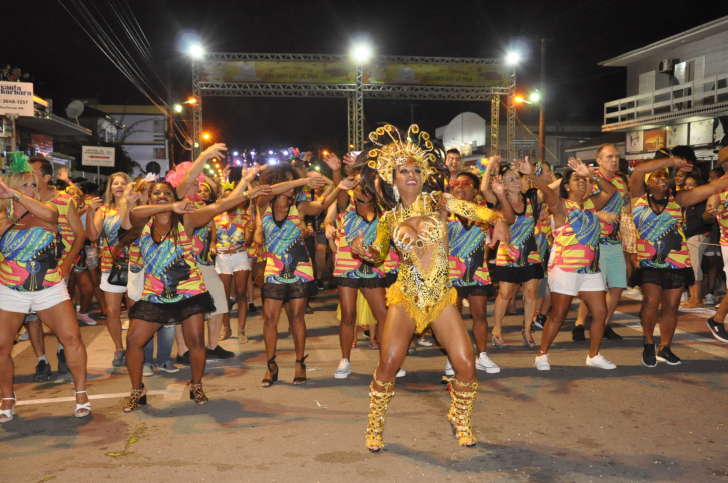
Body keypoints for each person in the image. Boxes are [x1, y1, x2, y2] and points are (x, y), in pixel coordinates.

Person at [350, 124, 509, 452]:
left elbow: (476, 210)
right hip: (406, 295)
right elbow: (379, 257)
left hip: (440, 296)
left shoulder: (440, 201)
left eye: (416, 169)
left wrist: (499, 220)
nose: (411, 174)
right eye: (403, 170)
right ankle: (375, 425)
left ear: (424, 175)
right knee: (389, 362)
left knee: (466, 363)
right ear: (392, 178)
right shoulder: (388, 219)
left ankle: (460, 419)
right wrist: (363, 251)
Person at [122, 180, 269, 411]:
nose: (162, 195)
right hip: (155, 294)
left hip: (189, 291)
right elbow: (134, 211)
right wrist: (170, 207)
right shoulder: (142, 222)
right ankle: (137, 389)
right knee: (133, 341)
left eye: (167, 193)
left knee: (196, 341)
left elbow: (217, 207)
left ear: (174, 196)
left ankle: (196, 384)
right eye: (157, 193)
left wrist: (247, 195)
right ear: (149, 198)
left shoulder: (186, 220)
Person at [0, 154, 90, 422]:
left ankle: (81, 394)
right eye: (25, 185)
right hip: (10, 288)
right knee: (1, 347)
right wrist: (8, 207)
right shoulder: (3, 216)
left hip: (49, 287)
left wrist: (17, 196)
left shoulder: (48, 209)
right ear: (13, 186)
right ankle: (7, 396)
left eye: (33, 184)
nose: (32, 189)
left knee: (72, 338)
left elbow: (51, 216)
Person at [630, 149, 728, 365]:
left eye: (666, 176)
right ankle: (648, 342)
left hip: (677, 262)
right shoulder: (637, 197)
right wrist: (672, 161)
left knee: (672, 306)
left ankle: (665, 347)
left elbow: (713, 187)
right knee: (651, 302)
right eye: (657, 176)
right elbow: (638, 170)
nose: (663, 180)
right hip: (649, 262)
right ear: (648, 182)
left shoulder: (679, 199)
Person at [256, 164, 341, 387]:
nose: (290, 187)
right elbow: (272, 191)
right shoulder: (263, 204)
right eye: (285, 181)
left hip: (300, 268)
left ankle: (299, 363)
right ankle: (271, 365)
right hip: (273, 269)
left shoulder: (300, 207)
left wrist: (339, 181)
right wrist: (301, 181)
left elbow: (323, 204)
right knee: (270, 318)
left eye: (291, 181)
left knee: (297, 318)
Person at [531, 157, 618, 371]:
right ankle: (542, 354)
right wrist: (531, 176)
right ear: (567, 186)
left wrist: (592, 175)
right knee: (559, 314)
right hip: (565, 268)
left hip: (590, 269)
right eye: (576, 179)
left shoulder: (590, 205)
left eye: (583, 180)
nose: (581, 182)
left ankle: (594, 355)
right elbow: (548, 193)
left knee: (600, 313)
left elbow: (611, 191)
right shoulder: (561, 206)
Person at [23, 156, 87, 380]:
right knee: (32, 317)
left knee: (61, 316)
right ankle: (41, 360)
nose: (28, 176)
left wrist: (68, 264)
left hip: (57, 270)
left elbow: (81, 235)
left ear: (47, 177)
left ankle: (62, 351)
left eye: (33, 173)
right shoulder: (21, 201)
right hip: (27, 270)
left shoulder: (63, 200)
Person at [329, 152, 388, 379]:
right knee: (348, 315)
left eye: (367, 180)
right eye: (359, 181)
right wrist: (336, 170)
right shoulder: (348, 206)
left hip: (373, 267)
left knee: (382, 315)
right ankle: (345, 360)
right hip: (347, 266)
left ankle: (386, 361)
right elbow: (341, 188)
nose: (362, 184)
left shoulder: (383, 209)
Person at [482, 158, 543, 348]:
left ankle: (526, 330)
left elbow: (550, 189)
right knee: (506, 294)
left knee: (531, 293)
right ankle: (497, 329)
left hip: (531, 252)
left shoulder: (532, 197)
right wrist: (490, 164)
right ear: (503, 185)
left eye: (517, 177)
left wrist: (532, 172)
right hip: (507, 253)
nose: (516, 181)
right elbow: (484, 189)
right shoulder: (498, 200)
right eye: (510, 179)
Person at [573, 145, 629, 342]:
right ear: (599, 160)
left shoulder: (622, 181)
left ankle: (603, 324)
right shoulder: (588, 179)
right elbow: (577, 207)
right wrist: (601, 214)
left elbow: (627, 206)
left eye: (617, 156)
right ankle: (579, 324)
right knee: (595, 289)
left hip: (614, 241)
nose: (614, 160)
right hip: (595, 242)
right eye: (609, 156)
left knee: (618, 285)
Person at [445, 171, 499, 375]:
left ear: (475, 190)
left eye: (466, 184)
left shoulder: (483, 210)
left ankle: (482, 356)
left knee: (480, 315)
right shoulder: (446, 211)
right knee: (453, 318)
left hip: (477, 271)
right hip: (450, 272)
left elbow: (507, 217)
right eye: (455, 184)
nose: (460, 187)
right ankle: (453, 357)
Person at [86, 172, 133, 367]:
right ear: (110, 188)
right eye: (116, 183)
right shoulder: (103, 211)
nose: (120, 186)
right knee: (113, 312)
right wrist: (89, 212)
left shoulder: (137, 208)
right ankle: (118, 349)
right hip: (111, 266)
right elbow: (92, 235)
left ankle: (134, 347)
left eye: (123, 183)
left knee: (135, 312)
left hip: (136, 265)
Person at [704, 146, 728, 342]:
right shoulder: (719, 186)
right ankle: (717, 320)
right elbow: (709, 211)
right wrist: (710, 212)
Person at [680, 173, 712, 308]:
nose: (687, 187)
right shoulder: (687, 202)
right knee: (690, 266)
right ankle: (692, 298)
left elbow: (704, 220)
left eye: (691, 185)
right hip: (689, 238)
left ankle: (697, 299)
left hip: (698, 236)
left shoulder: (701, 202)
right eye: (686, 184)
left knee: (695, 268)